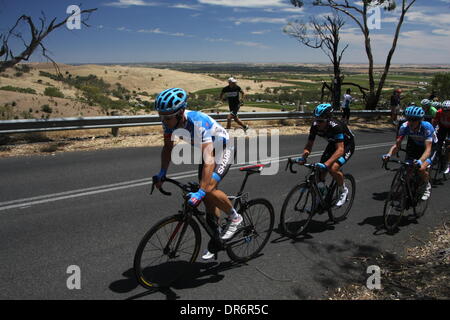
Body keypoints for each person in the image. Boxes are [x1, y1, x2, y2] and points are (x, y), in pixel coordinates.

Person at [152, 88, 242, 260]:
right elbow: (167, 148)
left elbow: (210, 159)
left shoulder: (197, 121)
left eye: (167, 117)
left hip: (223, 150)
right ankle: (217, 238)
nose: (163, 120)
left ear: (179, 113)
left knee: (206, 189)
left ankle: (235, 217)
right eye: (161, 116)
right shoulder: (169, 122)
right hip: (208, 153)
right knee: (207, 199)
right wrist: (162, 172)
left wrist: (202, 190)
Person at [293, 103, 355, 207]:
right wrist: (304, 156)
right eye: (316, 119)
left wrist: (326, 164)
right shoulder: (315, 126)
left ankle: (343, 190)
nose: (317, 123)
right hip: (333, 143)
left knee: (333, 168)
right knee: (319, 172)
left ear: (328, 119)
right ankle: (322, 195)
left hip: (347, 145)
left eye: (320, 121)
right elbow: (309, 145)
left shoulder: (336, 127)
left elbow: (340, 150)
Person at [383, 106, 437, 201]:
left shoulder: (426, 127)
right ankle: (409, 189)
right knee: (408, 169)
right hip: (415, 145)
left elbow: (428, 149)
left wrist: (420, 161)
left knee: (421, 169)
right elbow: (397, 146)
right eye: (409, 119)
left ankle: (426, 185)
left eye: (414, 120)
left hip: (430, 147)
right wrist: (388, 154)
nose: (411, 122)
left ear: (420, 120)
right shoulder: (404, 127)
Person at [432, 100, 450, 174]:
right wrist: (433, 130)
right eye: (444, 110)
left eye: (447, 111)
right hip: (442, 127)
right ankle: (438, 157)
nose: (445, 112)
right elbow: (435, 122)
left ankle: (447, 162)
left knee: (449, 146)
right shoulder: (439, 112)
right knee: (438, 144)